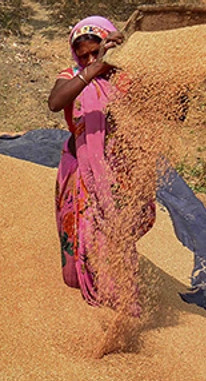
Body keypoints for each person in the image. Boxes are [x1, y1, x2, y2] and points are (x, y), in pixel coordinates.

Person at [48, 17, 155, 314]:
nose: (90, 59)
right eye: (83, 55)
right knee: (81, 239)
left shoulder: (126, 77)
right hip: (79, 170)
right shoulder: (72, 75)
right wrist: (94, 69)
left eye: (96, 52)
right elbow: (55, 102)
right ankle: (87, 285)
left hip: (117, 171)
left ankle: (117, 296)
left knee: (113, 233)